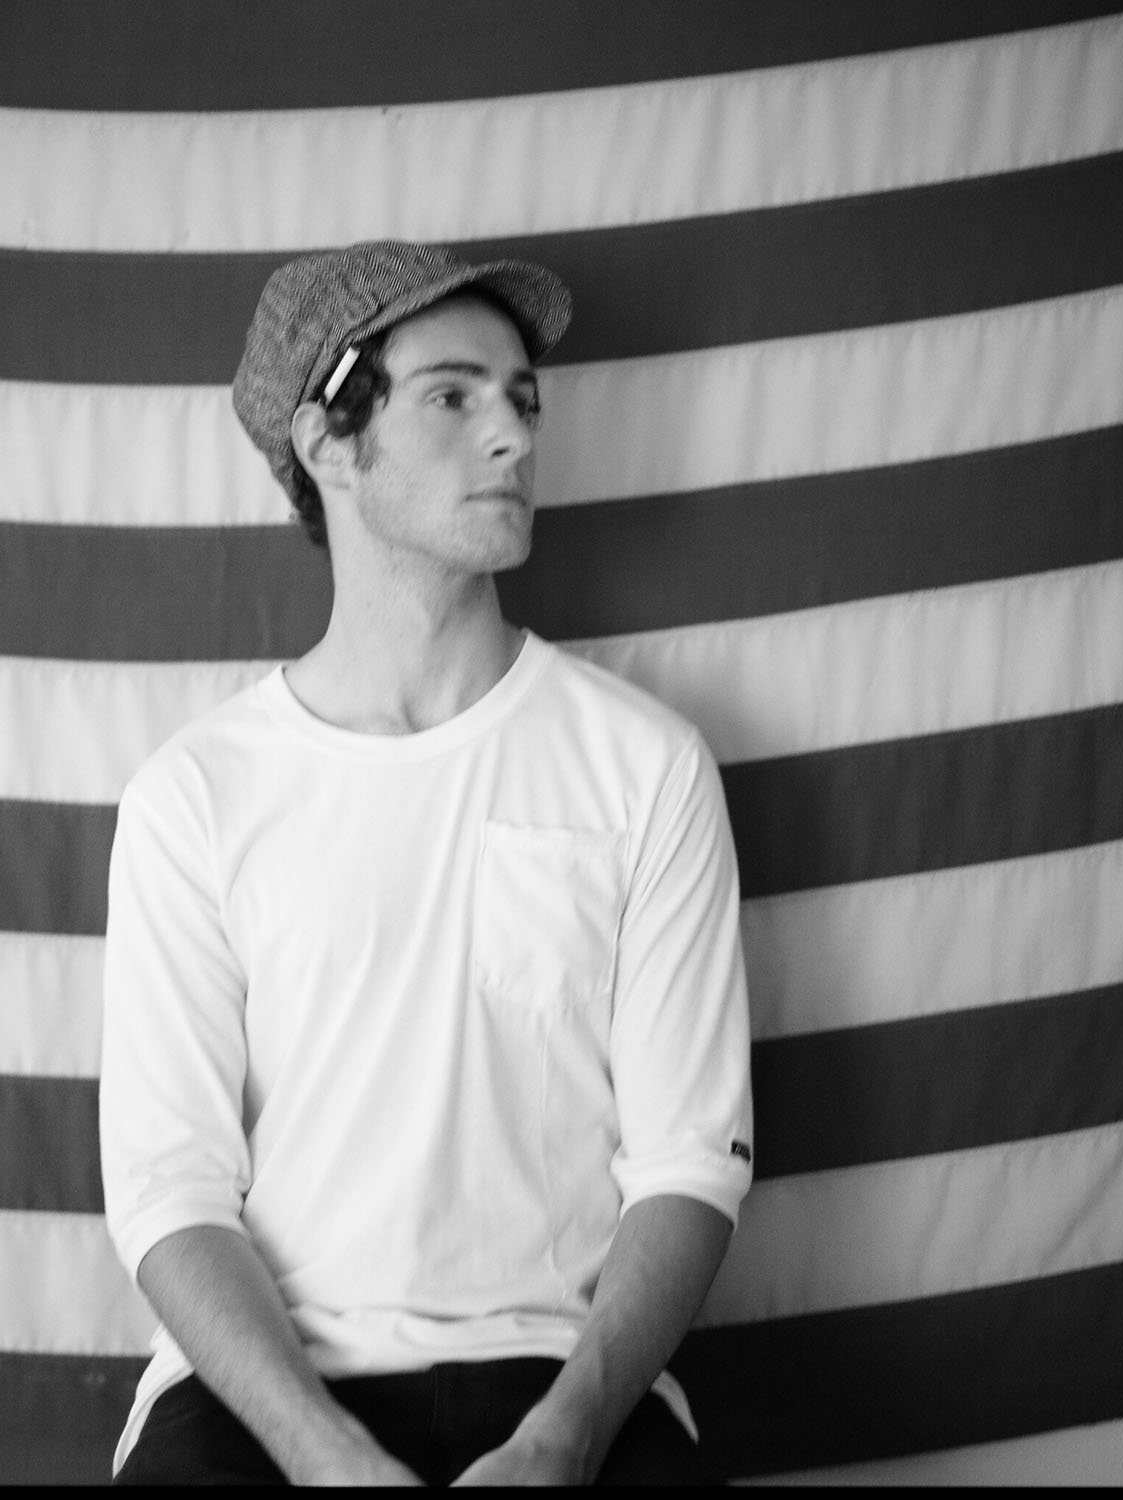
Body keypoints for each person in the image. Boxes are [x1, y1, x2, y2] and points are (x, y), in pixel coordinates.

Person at [99, 240, 754, 1486]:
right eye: (451, 395)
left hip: (563, 1376)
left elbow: (688, 1164)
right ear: (327, 442)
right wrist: (323, 1455)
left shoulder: (646, 765)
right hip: (261, 1393)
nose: (510, 435)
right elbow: (168, 1191)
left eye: (522, 400)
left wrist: (564, 1437)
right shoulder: (193, 797)